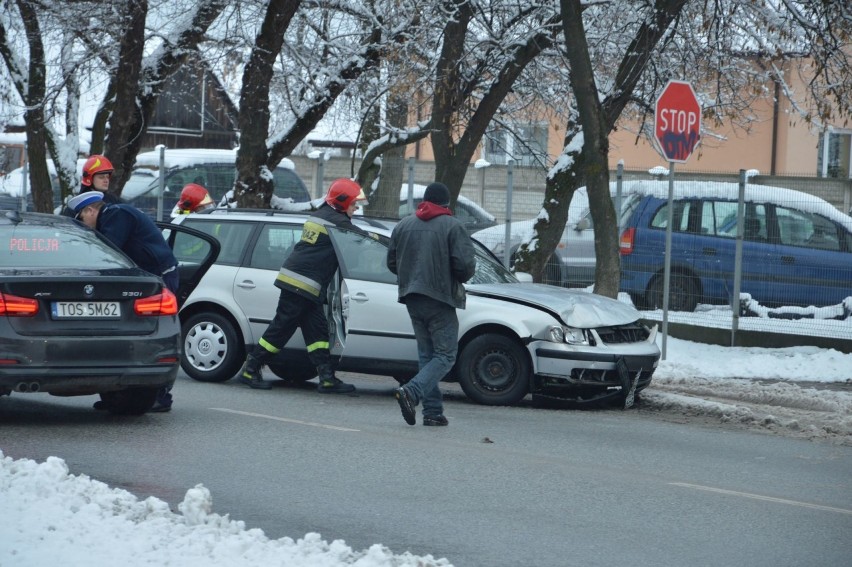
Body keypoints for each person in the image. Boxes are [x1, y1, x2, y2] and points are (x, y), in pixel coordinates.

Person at [237, 178, 368, 394]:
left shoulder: (320, 215)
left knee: (317, 331)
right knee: (282, 328)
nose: (356, 209)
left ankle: (326, 378)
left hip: (304, 284)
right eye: (354, 204)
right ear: (343, 202)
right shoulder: (337, 222)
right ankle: (250, 368)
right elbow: (360, 240)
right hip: (302, 284)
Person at [67, 191, 179, 412]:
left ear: (91, 210)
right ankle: (118, 398)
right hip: (148, 278)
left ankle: (160, 397)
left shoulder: (115, 215)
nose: (83, 224)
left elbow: (109, 252)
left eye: (81, 218)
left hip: (160, 278)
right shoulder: (114, 215)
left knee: (155, 334)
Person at [386, 182, 476, 426]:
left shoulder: (403, 225)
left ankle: (433, 412)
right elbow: (465, 266)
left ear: (424, 201)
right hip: (440, 297)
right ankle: (412, 392)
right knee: (446, 356)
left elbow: (392, 262)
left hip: (412, 296)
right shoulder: (453, 226)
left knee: (428, 355)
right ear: (447, 204)